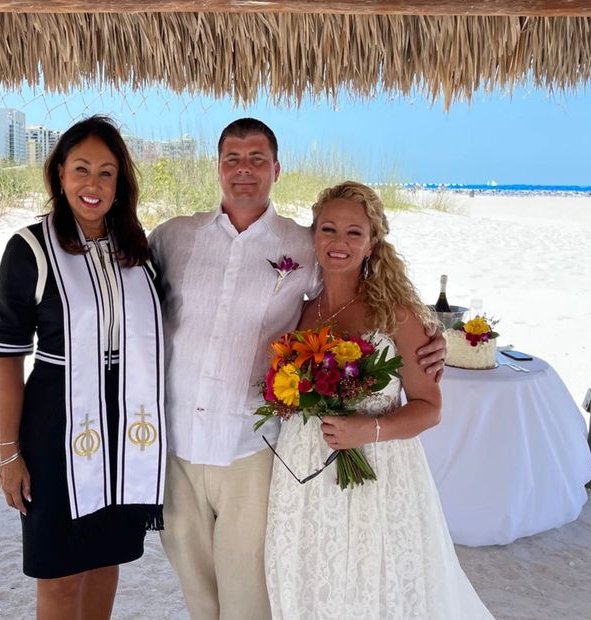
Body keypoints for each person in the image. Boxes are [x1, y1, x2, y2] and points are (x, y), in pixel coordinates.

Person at [149, 118, 448, 620]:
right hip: (177, 445)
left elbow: (360, 281)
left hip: (252, 447)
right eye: (233, 159)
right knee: (197, 590)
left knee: (252, 591)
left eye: (257, 159)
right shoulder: (172, 237)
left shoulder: (300, 246)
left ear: (276, 169)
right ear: (218, 167)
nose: (244, 169)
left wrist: (431, 339)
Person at [265, 181, 493, 619]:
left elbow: (431, 406)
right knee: (309, 569)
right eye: (329, 229)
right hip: (304, 468)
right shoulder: (303, 310)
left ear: (372, 243)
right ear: (313, 236)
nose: (340, 242)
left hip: (378, 470)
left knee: (370, 580)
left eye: (355, 233)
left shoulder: (397, 313)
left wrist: (365, 429)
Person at [0, 115, 166, 620]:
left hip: (128, 429)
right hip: (54, 426)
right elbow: (6, 357)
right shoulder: (31, 248)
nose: (93, 184)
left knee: (105, 560)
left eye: (106, 173)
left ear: (120, 183)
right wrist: (9, 454)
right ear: (60, 173)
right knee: (61, 574)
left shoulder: (137, 250)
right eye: (82, 169)